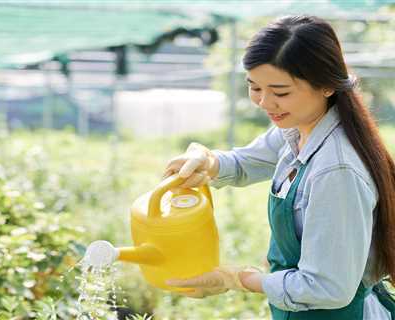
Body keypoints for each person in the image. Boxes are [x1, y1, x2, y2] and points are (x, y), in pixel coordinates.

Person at [162, 15, 395, 320]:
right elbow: (247, 161)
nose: (264, 102)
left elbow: (327, 287)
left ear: (325, 85)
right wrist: (210, 162)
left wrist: (237, 279)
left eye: (280, 92)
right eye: (254, 87)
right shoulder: (297, 129)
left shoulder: (336, 171)